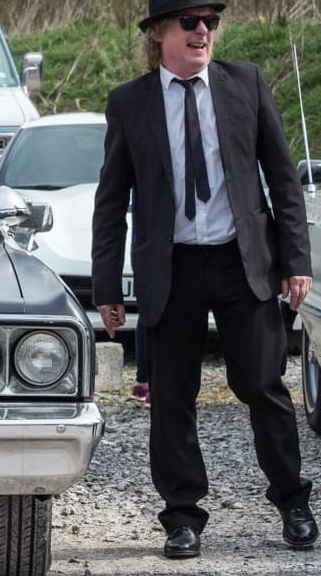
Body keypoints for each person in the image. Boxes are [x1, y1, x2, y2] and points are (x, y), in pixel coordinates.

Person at [91, 0, 317, 559]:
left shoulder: (247, 83)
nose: (202, 31)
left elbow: (284, 180)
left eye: (209, 22)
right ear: (159, 33)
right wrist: (106, 288)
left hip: (244, 264)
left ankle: (293, 503)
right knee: (172, 398)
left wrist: (296, 261)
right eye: (189, 22)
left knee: (264, 387)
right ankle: (183, 518)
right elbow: (111, 199)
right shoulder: (129, 102)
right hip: (172, 269)